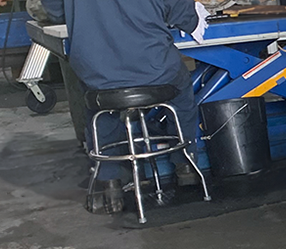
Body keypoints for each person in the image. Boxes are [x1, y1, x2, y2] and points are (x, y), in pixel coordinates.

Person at [43, 0, 209, 214]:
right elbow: (181, 12)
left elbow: (55, 11)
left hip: (96, 71)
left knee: (100, 107)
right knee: (182, 94)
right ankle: (185, 165)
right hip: (154, 68)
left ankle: (110, 180)